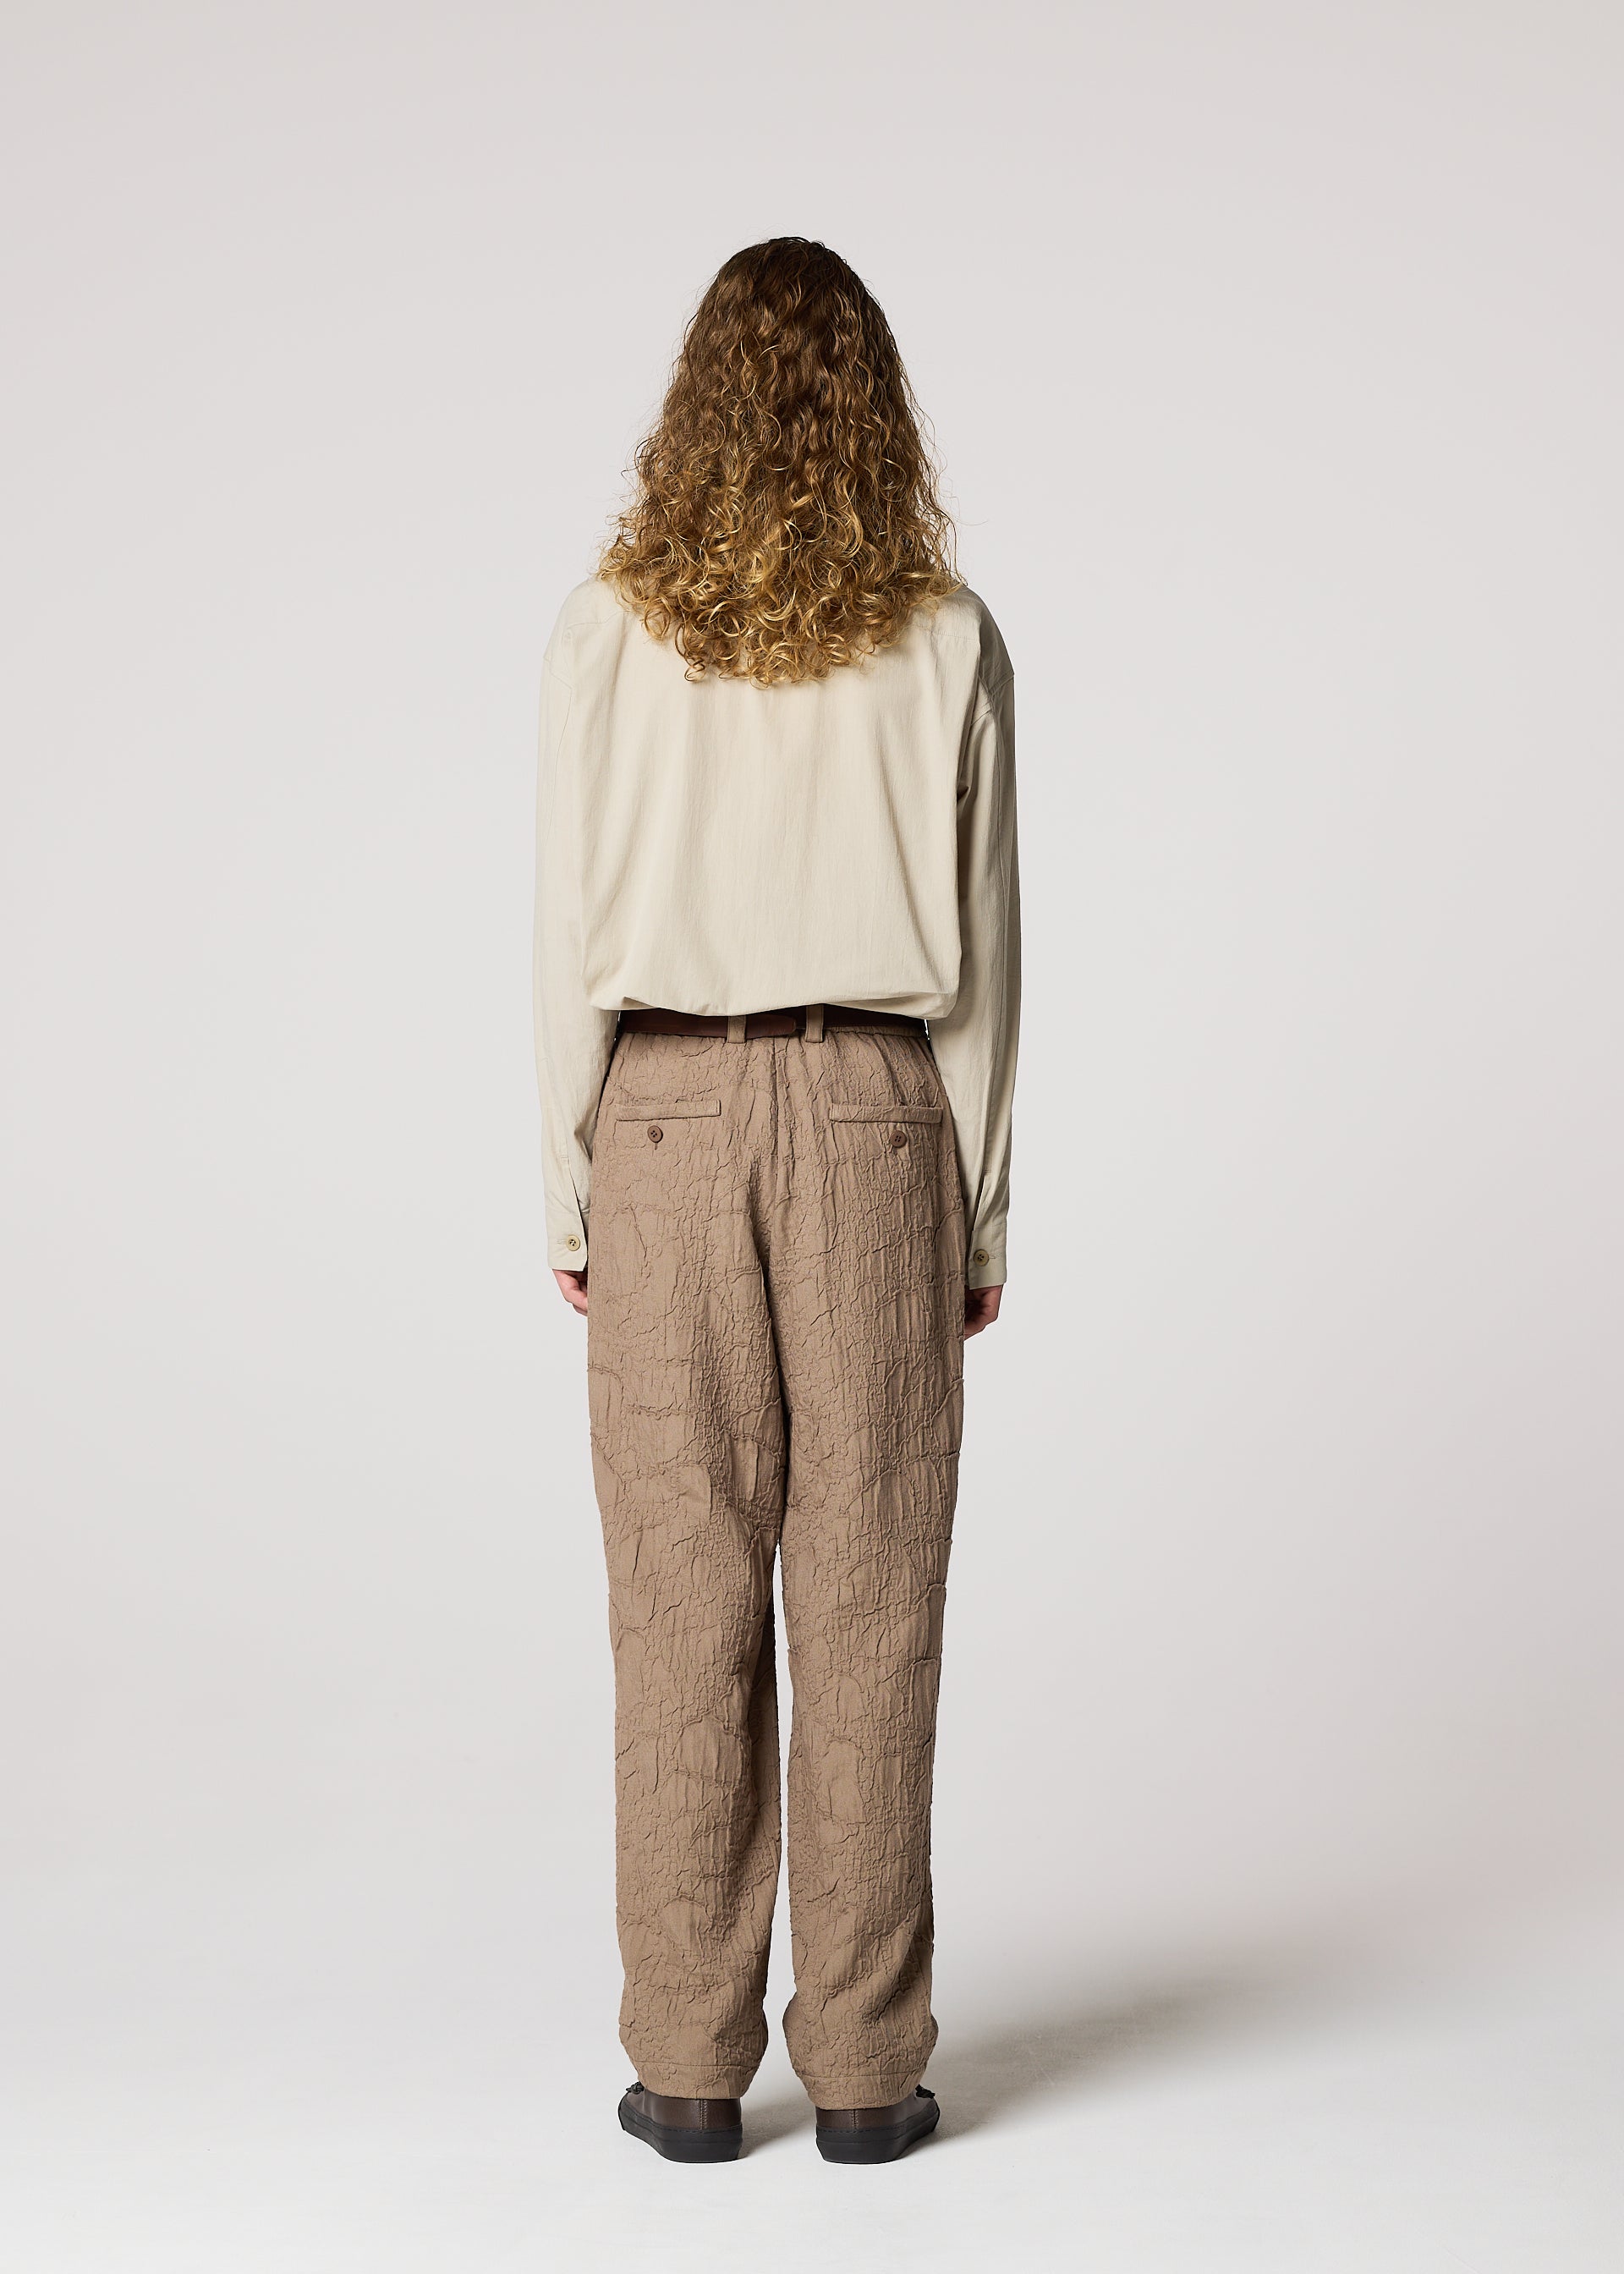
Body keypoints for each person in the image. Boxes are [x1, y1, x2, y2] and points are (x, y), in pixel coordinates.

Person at [532, 237, 1019, 2166]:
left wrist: (569, 1184)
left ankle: (685, 2068)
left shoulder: (604, 630)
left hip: (658, 1118)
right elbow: (986, 959)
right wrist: (978, 1211)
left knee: (681, 1598)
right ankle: (873, 2080)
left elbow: (562, 935)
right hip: (880, 1119)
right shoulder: (948, 635)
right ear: (879, 410)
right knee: (874, 1594)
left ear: (694, 407)